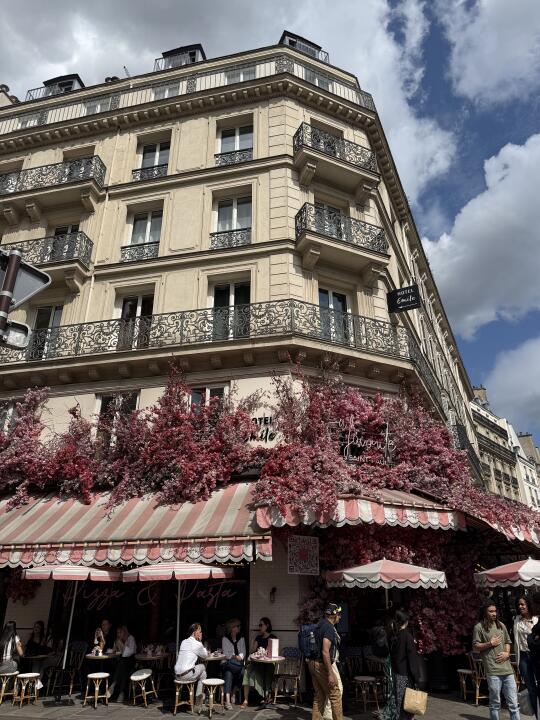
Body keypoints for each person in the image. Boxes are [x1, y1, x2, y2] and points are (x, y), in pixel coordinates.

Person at [473, 600, 520, 720]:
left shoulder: (501, 625)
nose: (494, 613)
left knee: (514, 704)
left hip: (508, 670)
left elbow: (508, 641)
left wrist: (507, 653)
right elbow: (475, 646)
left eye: (495, 611)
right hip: (493, 671)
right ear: (484, 612)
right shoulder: (479, 627)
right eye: (491, 611)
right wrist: (490, 643)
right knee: (495, 704)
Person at [307, 603, 343, 720]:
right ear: (334, 615)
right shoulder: (329, 628)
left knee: (319, 696)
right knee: (335, 694)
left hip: (312, 663)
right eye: (339, 614)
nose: (340, 617)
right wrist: (330, 673)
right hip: (320, 665)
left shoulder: (320, 624)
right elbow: (325, 651)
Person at [390, 610, 420, 720]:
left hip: (397, 673)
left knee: (399, 702)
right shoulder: (407, 636)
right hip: (406, 675)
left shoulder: (395, 636)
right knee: (407, 705)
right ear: (406, 622)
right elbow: (412, 659)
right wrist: (416, 677)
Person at [242, 616, 278, 707]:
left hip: (268, 664)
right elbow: (252, 651)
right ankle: (246, 700)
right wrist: (254, 646)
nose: (259, 627)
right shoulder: (258, 637)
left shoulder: (273, 638)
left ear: (267, 625)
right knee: (246, 672)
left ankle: (265, 697)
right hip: (257, 662)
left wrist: (265, 652)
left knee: (258, 673)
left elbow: (275, 652)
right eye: (259, 625)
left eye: (261, 625)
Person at [174, 623, 208, 708]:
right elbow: (205, 655)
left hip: (177, 675)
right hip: (187, 675)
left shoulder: (183, 642)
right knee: (203, 667)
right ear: (194, 632)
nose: (201, 633)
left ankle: (197, 698)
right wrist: (200, 641)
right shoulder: (197, 644)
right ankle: (198, 699)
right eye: (199, 631)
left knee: (203, 674)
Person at [514, 596, 538, 717]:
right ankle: (537, 715)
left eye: (523, 604)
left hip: (536, 655)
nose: (520, 606)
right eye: (519, 604)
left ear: (528, 604)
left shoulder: (536, 619)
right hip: (523, 656)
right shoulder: (516, 620)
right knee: (530, 687)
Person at [221, 618, 246, 710]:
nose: (239, 628)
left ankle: (233, 693)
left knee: (238, 672)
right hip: (230, 662)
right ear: (232, 628)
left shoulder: (241, 638)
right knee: (232, 670)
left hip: (235, 663)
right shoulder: (225, 639)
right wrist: (236, 656)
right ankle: (228, 700)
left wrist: (237, 657)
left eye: (239, 626)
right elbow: (226, 655)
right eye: (237, 626)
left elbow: (243, 652)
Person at [108, 625, 137, 703]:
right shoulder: (118, 640)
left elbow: (128, 653)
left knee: (123, 664)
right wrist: (116, 646)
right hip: (122, 663)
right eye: (117, 633)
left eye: (120, 632)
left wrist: (121, 644)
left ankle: (113, 685)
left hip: (131, 661)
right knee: (122, 667)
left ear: (125, 632)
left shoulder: (131, 638)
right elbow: (114, 651)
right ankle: (121, 693)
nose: (119, 634)